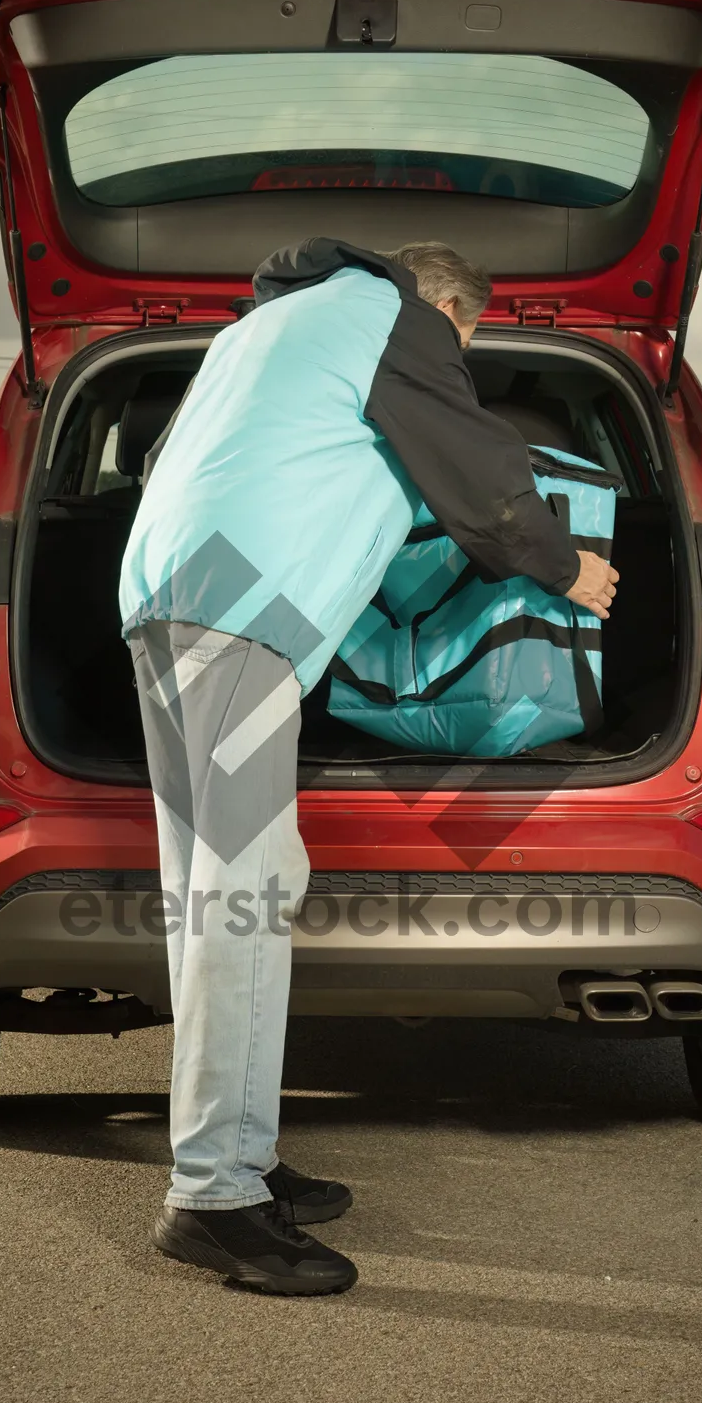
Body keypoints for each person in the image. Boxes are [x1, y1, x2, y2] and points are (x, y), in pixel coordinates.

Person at [119, 238, 619, 1296]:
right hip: (236, 608)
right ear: (448, 303)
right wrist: (564, 563)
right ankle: (213, 1196)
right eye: (466, 340)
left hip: (175, 594)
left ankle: (239, 1155)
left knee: (216, 889)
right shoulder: (394, 317)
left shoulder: (270, 331)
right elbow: (479, 469)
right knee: (242, 896)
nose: (456, 356)